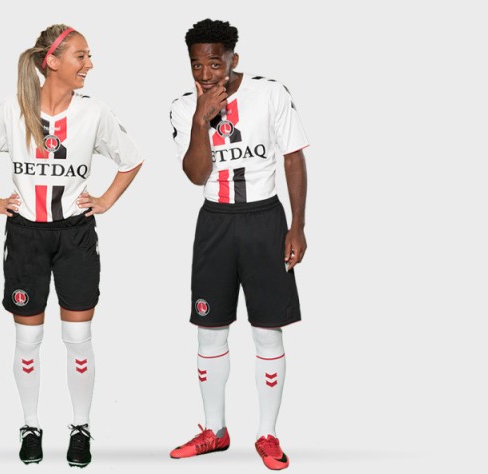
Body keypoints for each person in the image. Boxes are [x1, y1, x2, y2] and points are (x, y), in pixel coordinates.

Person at [0, 24, 143, 468]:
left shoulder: (94, 113)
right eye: (82, 56)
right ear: (52, 62)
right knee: (28, 339)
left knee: (78, 337)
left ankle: (81, 427)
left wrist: (106, 200)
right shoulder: (12, 110)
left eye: (89, 56)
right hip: (26, 236)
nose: (90, 64)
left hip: (75, 235)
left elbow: (131, 159)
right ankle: (30, 425)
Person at [167, 19, 308, 470]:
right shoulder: (182, 106)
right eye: (196, 65)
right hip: (216, 224)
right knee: (209, 329)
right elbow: (196, 175)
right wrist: (200, 118)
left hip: (265, 220)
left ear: (234, 59)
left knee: (267, 329)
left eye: (215, 63)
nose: (205, 73)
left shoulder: (270, 93)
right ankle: (215, 430)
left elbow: (293, 158)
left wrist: (297, 226)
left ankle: (267, 434)